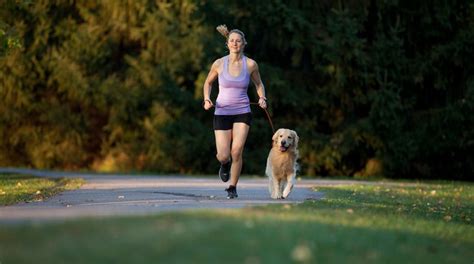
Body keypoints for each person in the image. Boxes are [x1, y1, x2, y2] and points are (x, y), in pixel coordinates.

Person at [202, 25, 267, 199]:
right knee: (224, 155)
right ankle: (224, 164)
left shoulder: (251, 64)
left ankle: (232, 186)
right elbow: (208, 83)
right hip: (222, 112)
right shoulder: (219, 63)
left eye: (238, 41)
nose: (235, 43)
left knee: (237, 151)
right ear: (227, 43)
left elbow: (259, 84)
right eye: (232, 41)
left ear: (244, 43)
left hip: (242, 112)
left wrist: (262, 98)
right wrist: (207, 98)